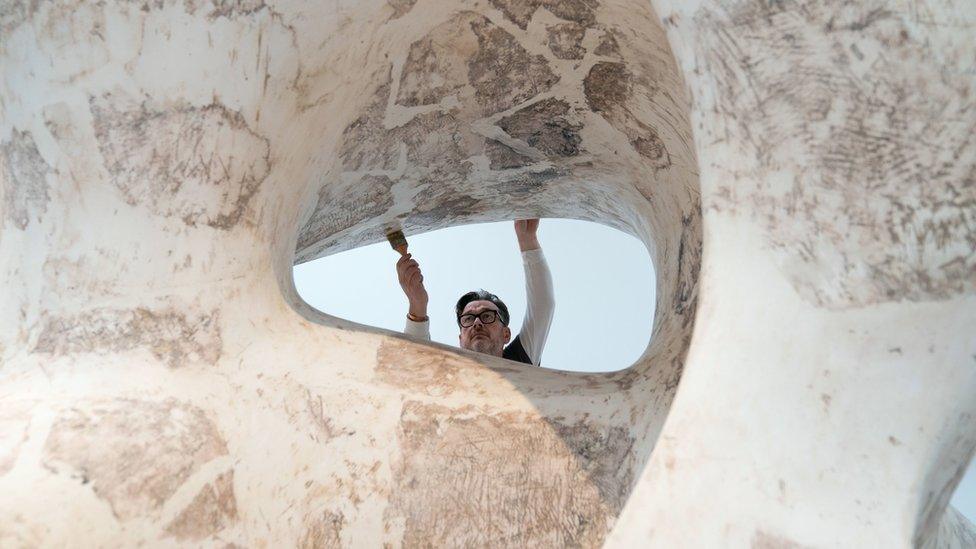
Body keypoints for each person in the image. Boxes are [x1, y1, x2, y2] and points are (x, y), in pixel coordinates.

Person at [395, 219, 554, 366]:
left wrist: (527, 239)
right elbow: (416, 360)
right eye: (469, 318)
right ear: (460, 339)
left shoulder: (521, 360)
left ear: (506, 334)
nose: (477, 323)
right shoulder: (446, 375)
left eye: (487, 316)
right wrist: (417, 304)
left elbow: (543, 306)